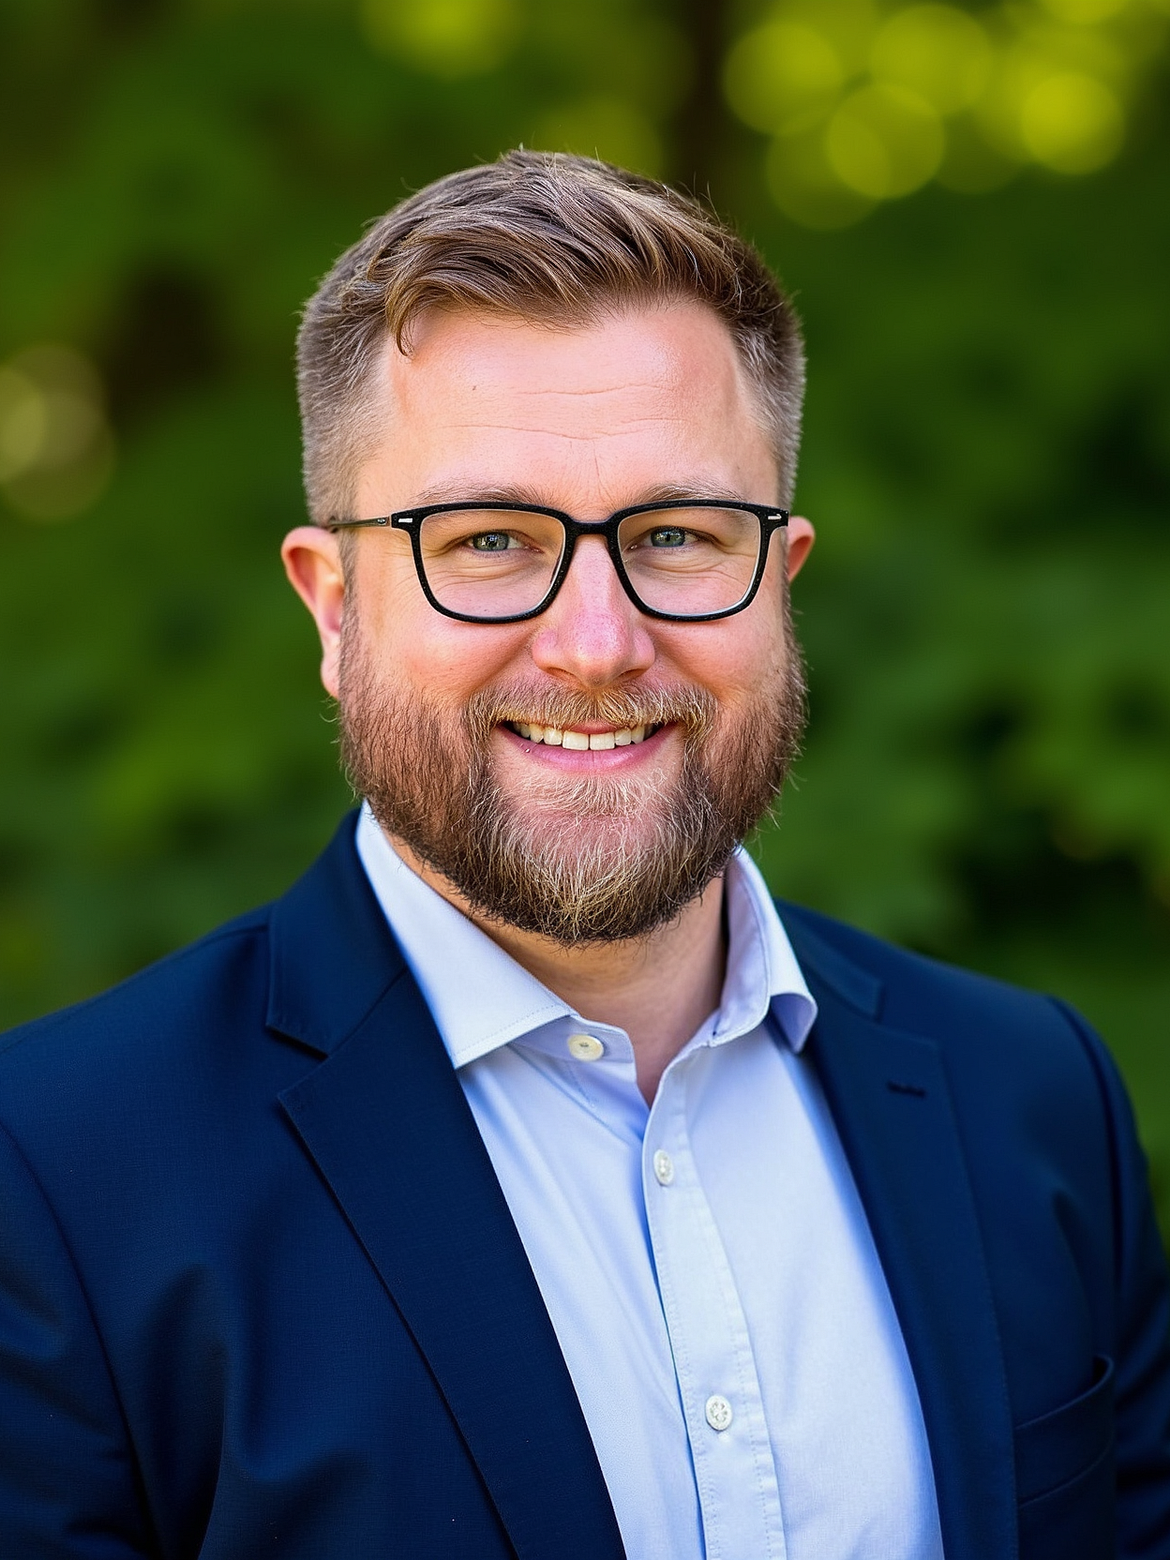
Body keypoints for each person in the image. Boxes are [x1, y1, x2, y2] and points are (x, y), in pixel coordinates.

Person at [1, 150, 1167, 1560]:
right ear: (332, 605)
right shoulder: (54, 1175)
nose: (597, 645)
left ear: (778, 580)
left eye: (675, 536)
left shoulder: (1031, 1101)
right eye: (488, 541)